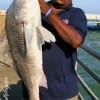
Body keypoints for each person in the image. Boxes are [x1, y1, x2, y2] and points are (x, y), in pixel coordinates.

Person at [38, 0, 87, 100]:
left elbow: (76, 41)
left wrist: (47, 12)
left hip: (65, 93)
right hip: (33, 88)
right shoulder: (35, 8)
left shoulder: (76, 13)